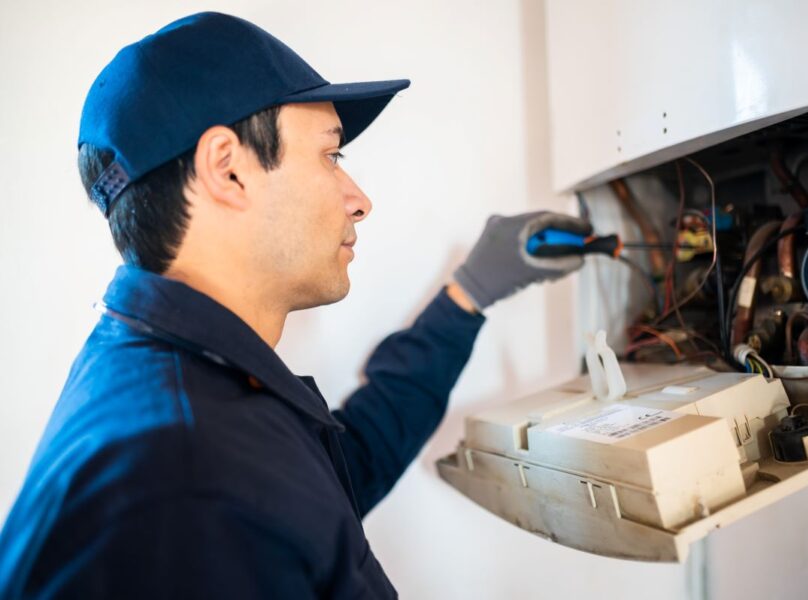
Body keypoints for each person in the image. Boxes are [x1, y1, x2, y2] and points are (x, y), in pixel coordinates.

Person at [0, 12, 591, 599]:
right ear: (227, 171)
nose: (360, 201)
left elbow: (335, 476)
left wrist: (468, 295)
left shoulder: (181, 378)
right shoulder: (183, 484)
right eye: (331, 156)